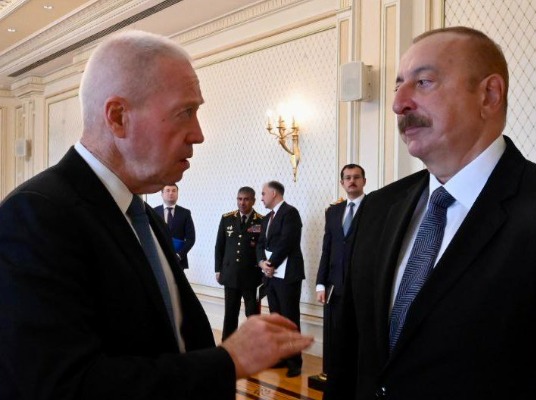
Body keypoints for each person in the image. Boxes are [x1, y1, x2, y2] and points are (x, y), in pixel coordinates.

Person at [324, 26, 536, 400]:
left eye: (423, 82)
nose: (399, 104)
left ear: (489, 95)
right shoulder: (378, 208)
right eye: (398, 85)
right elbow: (349, 360)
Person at [0, 30, 312, 400]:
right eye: (185, 112)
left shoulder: (142, 217)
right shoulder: (36, 215)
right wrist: (228, 361)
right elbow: (64, 387)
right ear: (118, 117)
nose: (198, 134)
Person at [315, 164, 366, 378]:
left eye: (356, 177)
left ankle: (357, 376)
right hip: (335, 286)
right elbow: (327, 248)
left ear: (364, 181)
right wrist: (320, 283)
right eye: (348, 178)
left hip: (362, 285)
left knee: (359, 334)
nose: (352, 181)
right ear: (342, 182)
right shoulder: (333, 211)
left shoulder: (373, 208)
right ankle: (335, 375)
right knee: (335, 334)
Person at [257, 181, 306, 378]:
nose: (261, 198)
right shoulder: (266, 218)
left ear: (274, 193)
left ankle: (294, 361)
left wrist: (271, 264)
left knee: (289, 319)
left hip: (287, 276)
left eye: (263, 193)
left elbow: (288, 242)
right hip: (271, 276)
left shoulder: (290, 213)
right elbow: (260, 244)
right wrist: (262, 263)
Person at [215, 186, 264, 340]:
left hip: (251, 276)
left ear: (253, 201)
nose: (242, 203)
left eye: (246, 199)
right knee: (230, 313)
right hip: (230, 274)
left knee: (252, 315)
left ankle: (254, 345)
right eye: (239, 199)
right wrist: (218, 269)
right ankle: (227, 345)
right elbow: (219, 246)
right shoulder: (227, 218)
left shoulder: (261, 221)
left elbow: (263, 248)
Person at [154, 183, 195, 269]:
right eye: (167, 190)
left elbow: (191, 239)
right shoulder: (154, 212)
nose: (171, 193)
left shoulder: (185, 213)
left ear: (177, 193)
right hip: (158, 259)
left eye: (174, 191)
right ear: (162, 194)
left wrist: (179, 255)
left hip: (178, 260)